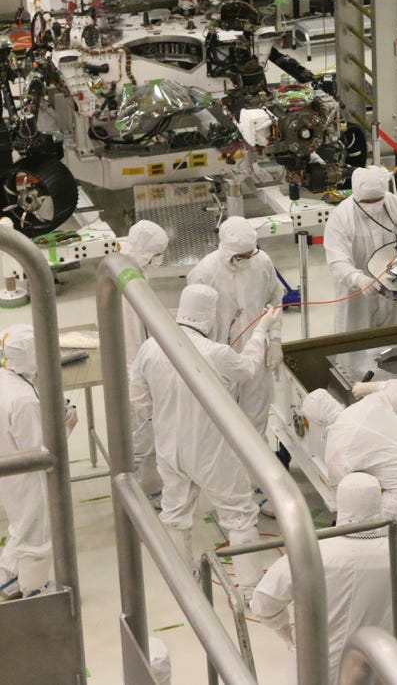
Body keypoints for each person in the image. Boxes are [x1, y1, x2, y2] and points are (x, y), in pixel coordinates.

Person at [129, 284, 279, 596]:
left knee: (175, 512)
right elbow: (249, 369)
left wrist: (165, 415)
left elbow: (139, 398)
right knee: (239, 515)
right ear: (210, 316)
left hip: (169, 447)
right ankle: (251, 590)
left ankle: (184, 582)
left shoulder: (151, 347)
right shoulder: (217, 353)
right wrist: (262, 330)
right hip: (212, 452)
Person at [250, 472, 397, 685]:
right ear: (379, 501)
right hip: (372, 671)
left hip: (312, 671)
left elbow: (263, 603)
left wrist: (286, 633)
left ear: (340, 503)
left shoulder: (309, 551)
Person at [188, 217, 283, 516]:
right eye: (240, 257)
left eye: (249, 254)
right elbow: (190, 320)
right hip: (218, 356)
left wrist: (276, 339)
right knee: (222, 425)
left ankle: (259, 488)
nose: (246, 260)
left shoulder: (262, 262)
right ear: (227, 251)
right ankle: (228, 493)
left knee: (256, 420)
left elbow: (275, 299)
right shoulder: (204, 272)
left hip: (256, 352)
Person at [302, 379, 397, 531]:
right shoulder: (368, 404)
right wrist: (369, 387)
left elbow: (354, 495)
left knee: (385, 539)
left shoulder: (336, 448)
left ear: (318, 421)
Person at [0, 324, 77, 600]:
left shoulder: (7, 380)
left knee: (21, 524)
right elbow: (41, 453)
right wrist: (67, 426)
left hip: (7, 469)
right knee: (37, 534)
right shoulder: (23, 400)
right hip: (26, 475)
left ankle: (7, 579)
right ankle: (36, 592)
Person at [324, 165, 397, 333]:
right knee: (356, 348)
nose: (372, 205)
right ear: (356, 195)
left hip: (393, 289)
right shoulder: (341, 217)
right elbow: (337, 261)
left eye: (377, 200)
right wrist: (358, 279)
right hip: (358, 298)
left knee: (394, 342)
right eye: (367, 202)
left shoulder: (393, 203)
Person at [120, 219, 169, 509]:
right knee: (139, 440)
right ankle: (136, 499)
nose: (159, 259)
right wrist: (140, 385)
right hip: (133, 373)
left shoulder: (132, 269)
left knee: (144, 437)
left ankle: (145, 490)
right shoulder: (128, 281)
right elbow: (130, 341)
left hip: (137, 368)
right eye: (157, 252)